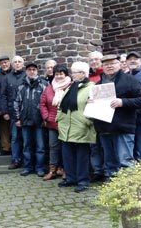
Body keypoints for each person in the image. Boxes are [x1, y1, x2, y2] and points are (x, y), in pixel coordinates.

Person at [92, 54, 141, 180]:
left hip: (123, 127)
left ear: (119, 64)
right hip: (104, 128)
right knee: (109, 162)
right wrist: (91, 103)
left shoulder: (130, 80)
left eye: (112, 63)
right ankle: (111, 188)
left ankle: (129, 188)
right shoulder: (98, 84)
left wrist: (123, 102)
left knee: (125, 161)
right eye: (106, 64)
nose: (109, 66)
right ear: (102, 67)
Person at [56, 62, 96, 193]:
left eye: (74, 72)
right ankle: (71, 178)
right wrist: (59, 119)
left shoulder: (91, 88)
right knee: (67, 155)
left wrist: (87, 121)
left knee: (82, 156)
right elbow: (62, 104)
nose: (71, 75)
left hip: (81, 127)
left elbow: (95, 108)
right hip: (66, 127)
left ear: (83, 74)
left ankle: (82, 181)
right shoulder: (71, 87)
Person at [14, 62, 48, 177]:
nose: (32, 71)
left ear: (37, 71)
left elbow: (47, 103)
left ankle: (40, 168)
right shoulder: (21, 86)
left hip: (39, 121)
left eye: (34, 69)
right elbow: (16, 103)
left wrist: (45, 118)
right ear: (26, 71)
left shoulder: (43, 85)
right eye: (29, 70)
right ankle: (28, 167)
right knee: (26, 146)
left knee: (40, 146)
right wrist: (18, 118)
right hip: (25, 120)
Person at [39, 64, 71, 181]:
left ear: (66, 75)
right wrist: (46, 117)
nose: (58, 76)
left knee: (66, 148)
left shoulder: (71, 87)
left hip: (67, 124)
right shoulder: (49, 88)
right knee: (53, 147)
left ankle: (66, 170)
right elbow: (42, 104)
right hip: (52, 123)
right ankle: (52, 170)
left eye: (61, 74)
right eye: (56, 74)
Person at [1, 56, 26, 169]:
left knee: (27, 137)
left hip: (26, 112)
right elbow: (3, 95)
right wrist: (5, 111)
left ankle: (27, 160)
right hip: (12, 113)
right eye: (15, 62)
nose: (17, 64)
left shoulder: (27, 75)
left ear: (23, 64)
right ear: (12, 64)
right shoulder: (7, 78)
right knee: (15, 137)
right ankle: (16, 159)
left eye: (19, 62)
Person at [87, 51, 105, 182]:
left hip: (104, 115)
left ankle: (106, 170)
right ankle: (97, 170)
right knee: (93, 146)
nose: (94, 62)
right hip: (91, 116)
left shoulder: (106, 75)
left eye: (96, 59)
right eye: (91, 60)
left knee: (105, 145)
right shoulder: (88, 76)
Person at [0, 55, 11, 155]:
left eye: (6, 62)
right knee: (4, 128)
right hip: (3, 104)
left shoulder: (15, 73)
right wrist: (0, 107)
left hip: (14, 105)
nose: (4, 64)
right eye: (2, 63)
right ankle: (6, 147)